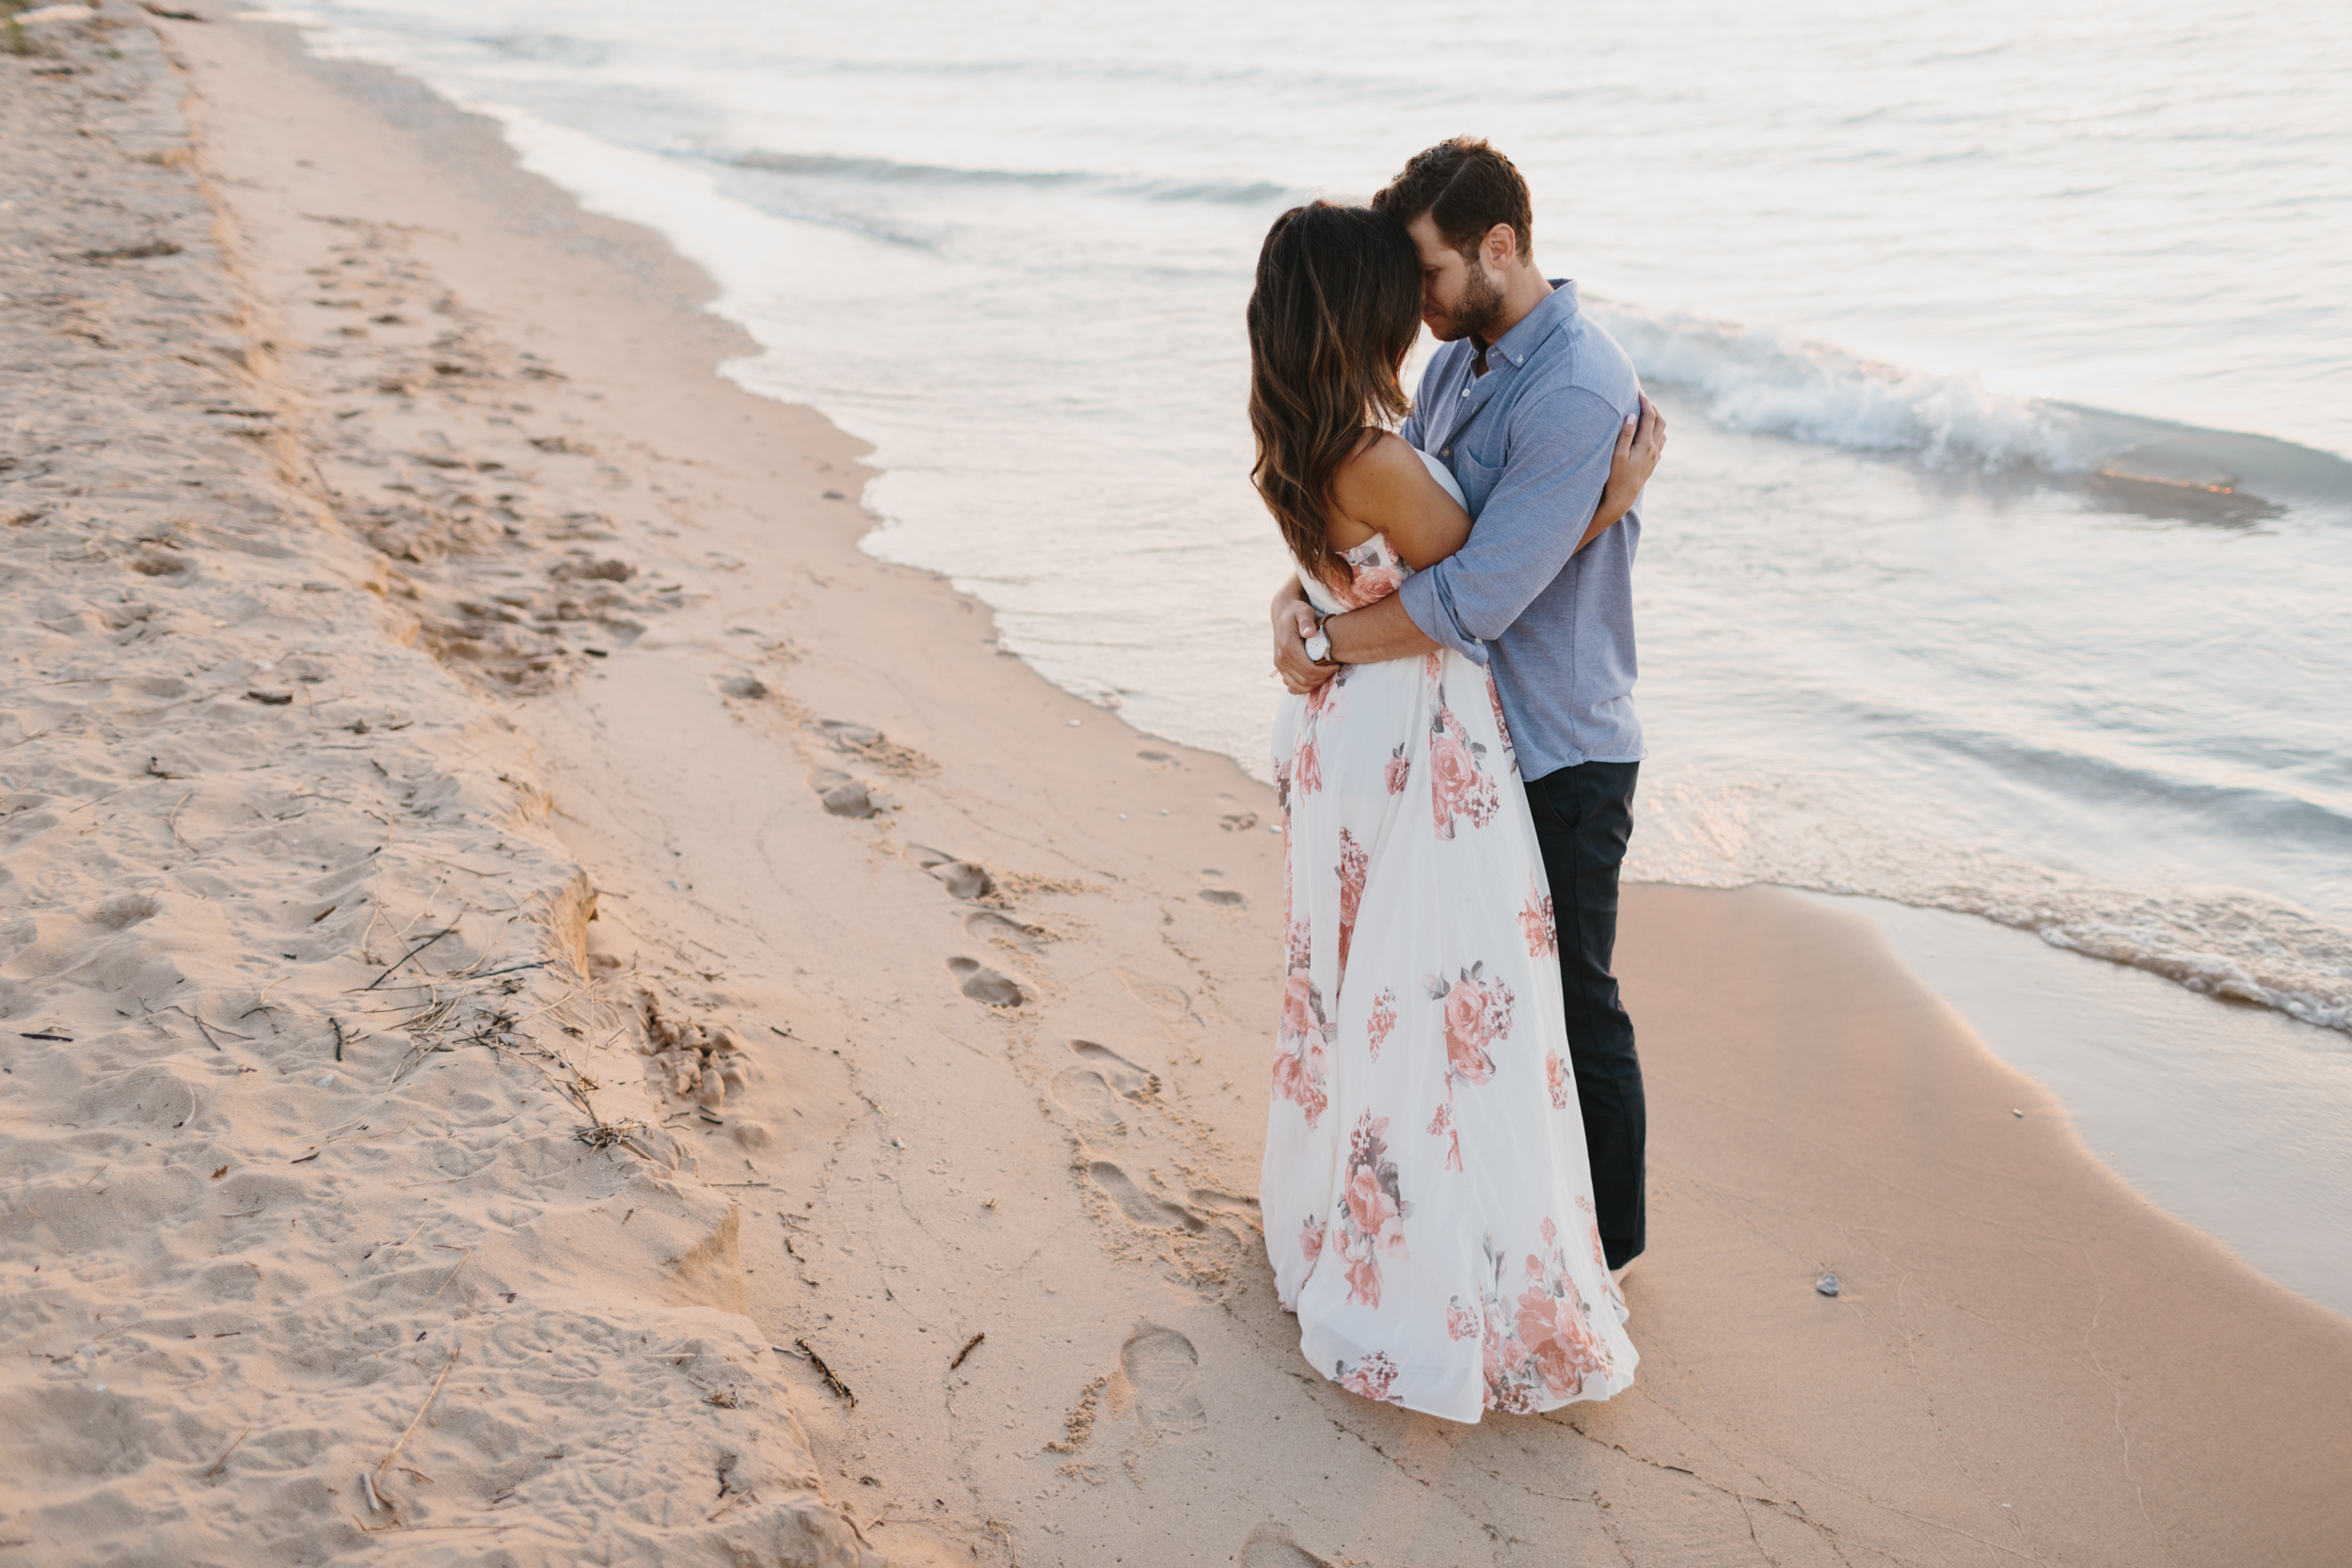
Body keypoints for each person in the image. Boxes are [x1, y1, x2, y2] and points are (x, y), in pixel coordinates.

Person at [1250, 186, 1661, 1419]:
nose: (1418, 309)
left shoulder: (1311, 434)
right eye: (1401, 288)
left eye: (1426, 277)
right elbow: (1484, 574)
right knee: (1439, 999)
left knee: (1409, 990)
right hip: (1411, 743)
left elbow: (1406, 571)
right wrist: (1610, 500)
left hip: (1389, 735)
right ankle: (1477, 1249)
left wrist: (1308, 613)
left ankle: (1580, 1236)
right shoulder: (1389, 438)